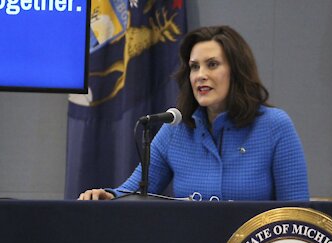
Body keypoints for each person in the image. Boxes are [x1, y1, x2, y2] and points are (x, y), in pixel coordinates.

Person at [78, 25, 309, 201]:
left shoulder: (274, 126)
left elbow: (300, 216)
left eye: (212, 64)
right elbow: (135, 193)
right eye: (194, 66)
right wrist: (108, 197)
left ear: (236, 71)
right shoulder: (176, 128)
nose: (200, 75)